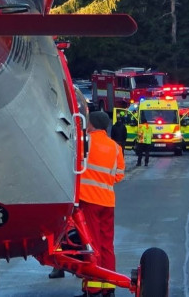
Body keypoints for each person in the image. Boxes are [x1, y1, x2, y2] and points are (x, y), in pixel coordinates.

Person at [75, 110, 125, 297]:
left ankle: (94, 289)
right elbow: (119, 175)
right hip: (107, 201)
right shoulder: (115, 147)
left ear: (92, 125)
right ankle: (108, 287)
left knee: (92, 245)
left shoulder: (83, 142)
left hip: (88, 200)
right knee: (107, 245)